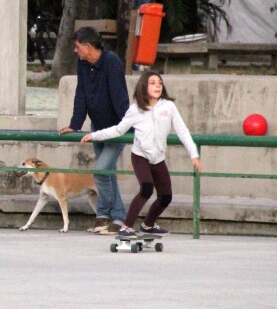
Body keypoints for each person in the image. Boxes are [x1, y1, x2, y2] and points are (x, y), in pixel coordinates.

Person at [81, 71, 202, 238]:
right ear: (144, 87)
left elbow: (182, 131)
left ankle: (148, 225)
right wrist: (94, 135)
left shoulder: (168, 106)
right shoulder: (136, 109)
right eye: (153, 83)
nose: (157, 86)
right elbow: (118, 130)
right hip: (140, 156)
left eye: (159, 83)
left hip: (158, 158)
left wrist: (194, 154)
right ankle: (126, 227)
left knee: (166, 197)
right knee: (146, 188)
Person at [59, 26, 130, 235]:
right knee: (107, 172)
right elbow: (81, 93)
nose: (75, 50)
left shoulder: (112, 63)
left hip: (117, 128)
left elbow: (120, 98)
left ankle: (111, 215)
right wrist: (75, 124)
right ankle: (109, 217)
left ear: (89, 47)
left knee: (101, 170)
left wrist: (126, 127)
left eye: (77, 46)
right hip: (97, 127)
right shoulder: (82, 64)